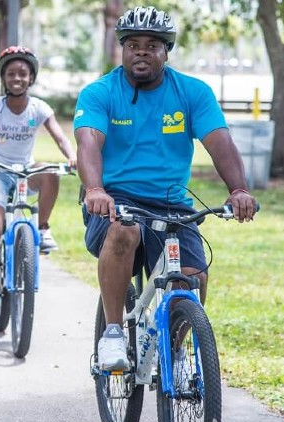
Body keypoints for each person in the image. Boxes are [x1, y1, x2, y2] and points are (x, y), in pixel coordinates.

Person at [74, 6, 257, 371]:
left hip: (172, 201)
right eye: (133, 44)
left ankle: (174, 350)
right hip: (114, 198)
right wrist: (94, 189)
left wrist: (238, 189)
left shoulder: (192, 92)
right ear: (123, 50)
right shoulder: (100, 92)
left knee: (192, 278)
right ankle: (112, 333)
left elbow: (220, 143)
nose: (142, 51)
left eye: (152, 45)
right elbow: (88, 143)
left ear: (166, 51)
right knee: (123, 231)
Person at [0, 46, 76, 316]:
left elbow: (59, 137)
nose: (17, 78)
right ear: (3, 77)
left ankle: (43, 227)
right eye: (11, 73)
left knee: (50, 172)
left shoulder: (39, 108)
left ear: (31, 78)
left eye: (23, 73)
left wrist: (72, 157)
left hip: (24, 171)